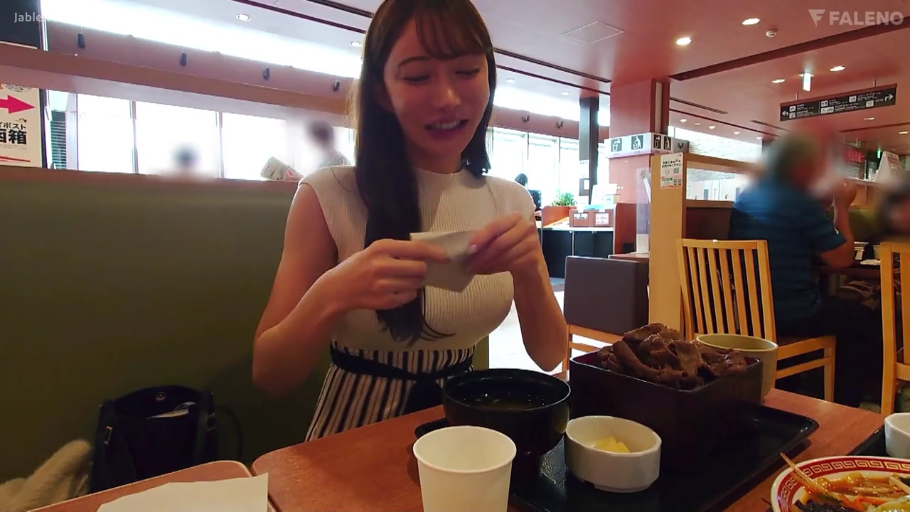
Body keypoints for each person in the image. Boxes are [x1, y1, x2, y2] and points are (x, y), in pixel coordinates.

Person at [252, 0, 566, 440]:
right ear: (382, 90)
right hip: (351, 437)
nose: (447, 99)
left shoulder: (510, 200)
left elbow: (550, 356)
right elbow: (269, 374)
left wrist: (531, 269)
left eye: (466, 71)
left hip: (466, 430)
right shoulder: (328, 194)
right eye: (418, 76)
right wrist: (332, 292)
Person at [729, 134, 882, 407]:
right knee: (860, 318)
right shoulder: (800, 202)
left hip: (747, 313)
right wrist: (842, 207)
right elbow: (841, 259)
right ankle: (844, 405)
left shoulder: (745, 199)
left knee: (838, 308)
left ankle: (798, 387)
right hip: (790, 314)